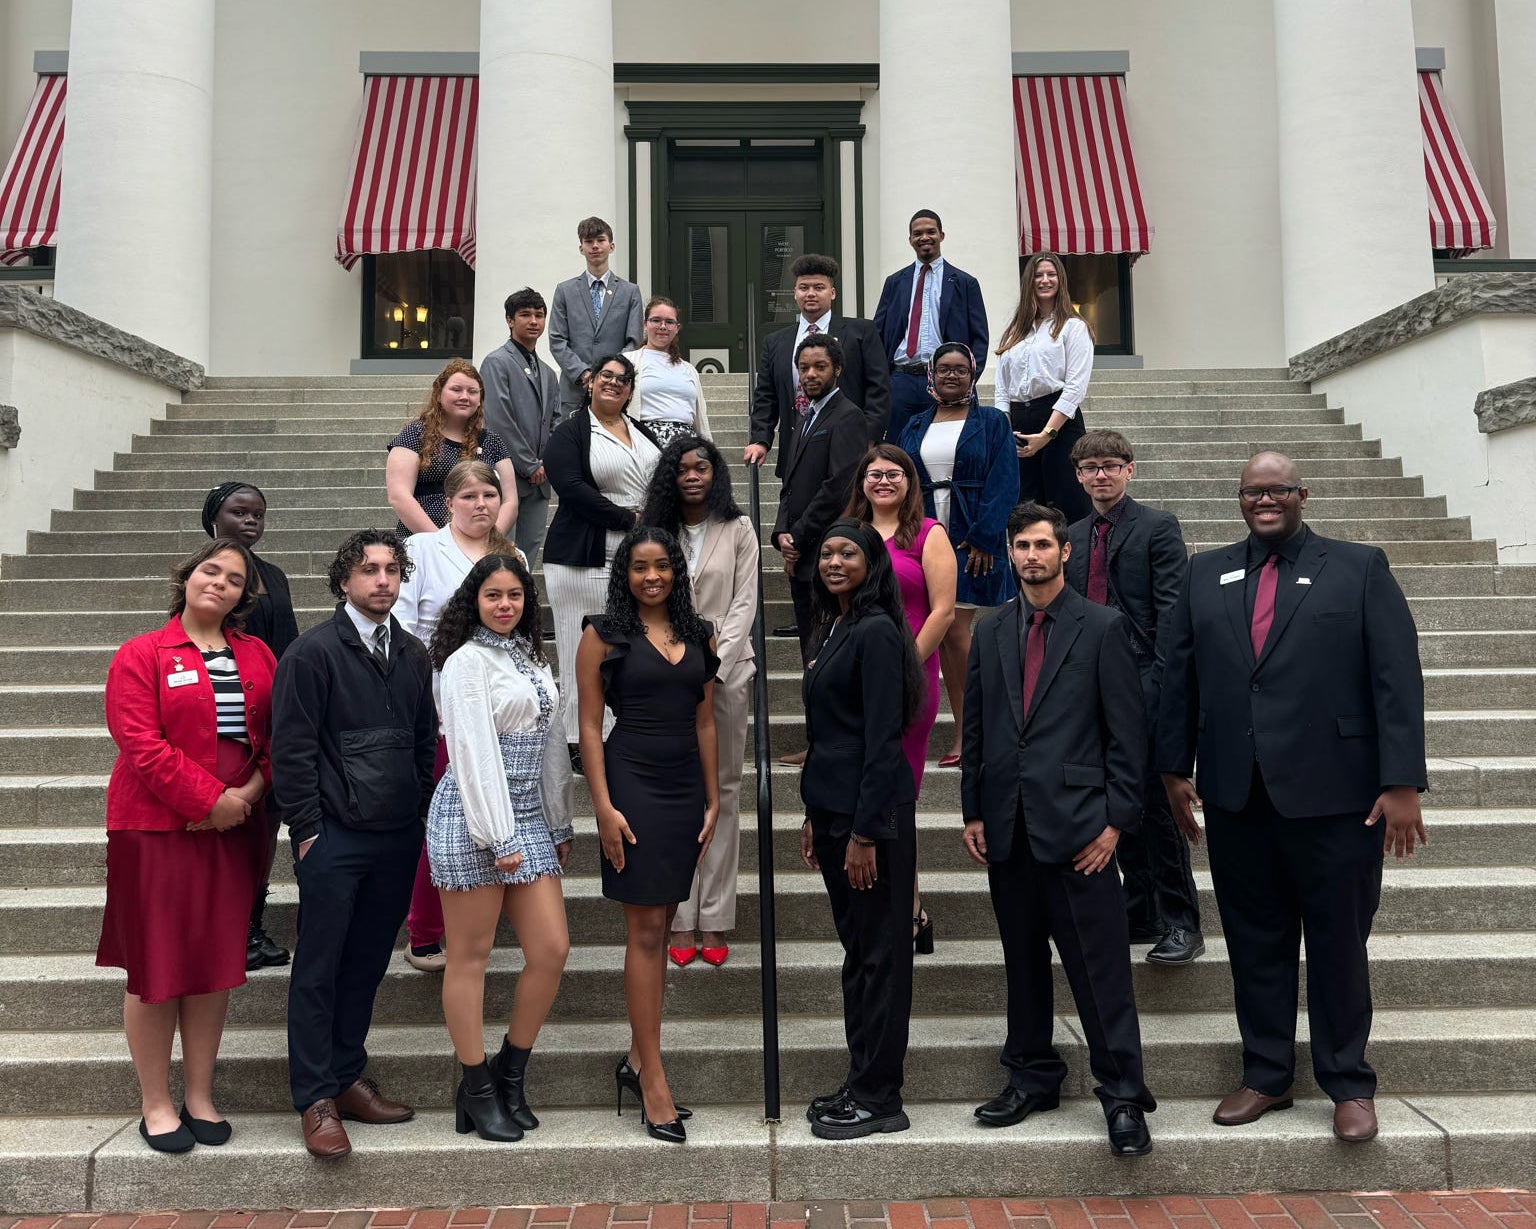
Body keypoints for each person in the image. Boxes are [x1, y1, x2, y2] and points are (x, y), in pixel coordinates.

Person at [1155, 451, 1428, 1145]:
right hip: (1237, 792)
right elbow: (1178, 675)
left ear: (1302, 492)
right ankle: (1267, 1072)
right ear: (1239, 498)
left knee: (1338, 942)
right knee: (1255, 941)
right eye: (1253, 491)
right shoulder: (1205, 571)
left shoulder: (1359, 567)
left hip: (1339, 795)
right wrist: (1171, 766)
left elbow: (1396, 677)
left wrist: (1401, 782)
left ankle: (1348, 1082)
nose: (1264, 500)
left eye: (1277, 489)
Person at [961, 501, 1155, 1158]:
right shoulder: (989, 631)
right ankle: (1033, 1076)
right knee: (1023, 965)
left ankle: (1124, 1095)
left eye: (1044, 544)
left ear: (1065, 551)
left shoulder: (1102, 627)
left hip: (1081, 834)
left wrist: (1115, 825)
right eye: (1022, 545)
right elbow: (979, 730)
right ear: (1010, 552)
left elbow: (1128, 739)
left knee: (1100, 972)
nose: (1033, 556)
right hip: (1009, 828)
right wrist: (973, 810)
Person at [98, 538, 275, 1153]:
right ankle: (156, 1102)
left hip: (233, 829)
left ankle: (200, 1094)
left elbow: (278, 737)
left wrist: (245, 797)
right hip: (154, 829)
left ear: (242, 596)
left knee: (212, 966)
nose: (220, 583)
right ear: (187, 577)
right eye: (211, 570)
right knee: (156, 967)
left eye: (234, 579)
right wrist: (208, 801)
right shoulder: (142, 654)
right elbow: (140, 745)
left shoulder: (258, 656)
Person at [273, 529, 437, 1159]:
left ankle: (345, 1078)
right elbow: (291, 750)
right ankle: (314, 1095)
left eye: (393, 570)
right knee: (318, 969)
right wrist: (308, 831)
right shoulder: (313, 654)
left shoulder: (415, 655)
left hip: (395, 837)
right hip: (333, 838)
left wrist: (418, 815)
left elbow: (425, 744)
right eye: (369, 570)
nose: (383, 581)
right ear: (344, 581)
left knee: (367, 965)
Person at [576, 527, 721, 1144]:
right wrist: (603, 808)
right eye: (640, 567)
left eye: (662, 565)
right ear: (624, 574)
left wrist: (715, 799)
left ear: (677, 571)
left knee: (663, 924)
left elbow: (706, 719)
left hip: (685, 789)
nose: (652, 576)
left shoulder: (700, 633)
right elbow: (586, 724)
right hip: (631, 780)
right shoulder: (600, 635)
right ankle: (653, 1077)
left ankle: (638, 1059)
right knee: (645, 930)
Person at [426, 554, 574, 1143]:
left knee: (552, 949)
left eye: (514, 594)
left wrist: (557, 823)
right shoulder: (466, 661)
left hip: (530, 815)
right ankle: (476, 1087)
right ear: (475, 600)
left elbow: (552, 747)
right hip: (474, 816)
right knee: (471, 956)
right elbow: (471, 753)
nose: (505, 605)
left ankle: (510, 1074)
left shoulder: (532, 658)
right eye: (493, 595)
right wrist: (499, 834)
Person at [797, 519, 923, 1140]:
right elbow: (829, 737)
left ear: (872, 563)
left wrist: (866, 834)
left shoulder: (875, 631)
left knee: (881, 957)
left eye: (849, 552)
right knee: (860, 956)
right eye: (827, 552)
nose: (834, 561)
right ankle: (861, 1078)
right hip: (835, 813)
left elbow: (880, 738)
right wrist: (813, 814)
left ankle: (881, 1097)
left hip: (872, 823)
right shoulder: (834, 627)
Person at [1063, 429, 1202, 965]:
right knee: (1118, 802)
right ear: (1077, 476)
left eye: (1110, 465)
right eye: (1090, 467)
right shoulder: (1071, 534)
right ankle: (1140, 908)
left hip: (1144, 678)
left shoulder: (1157, 527)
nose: (1101, 475)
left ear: (1129, 470)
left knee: (1154, 806)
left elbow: (1172, 614)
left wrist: (1164, 687)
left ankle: (1180, 921)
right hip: (1091, 686)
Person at [394, 459, 523, 974]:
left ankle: (473, 927)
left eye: (489, 495)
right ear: (448, 503)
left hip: (502, 708)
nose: (480, 505)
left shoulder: (509, 554)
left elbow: (520, 627)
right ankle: (424, 930)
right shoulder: (421, 549)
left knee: (490, 818)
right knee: (450, 817)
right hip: (441, 703)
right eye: (468, 496)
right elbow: (402, 631)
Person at [640, 437, 758, 967]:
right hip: (664, 677)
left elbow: (743, 603)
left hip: (726, 677)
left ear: (716, 474)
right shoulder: (654, 533)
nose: (692, 476)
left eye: (702, 467)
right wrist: (677, 667)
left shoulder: (740, 529)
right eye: (682, 468)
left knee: (724, 794)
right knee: (678, 796)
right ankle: (681, 914)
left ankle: (715, 916)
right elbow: (642, 593)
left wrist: (712, 668)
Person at [840, 444, 955, 954]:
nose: (883, 482)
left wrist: (902, 668)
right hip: (853, 679)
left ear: (910, 481)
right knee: (866, 786)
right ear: (861, 481)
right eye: (874, 474)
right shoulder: (851, 533)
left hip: (910, 678)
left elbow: (944, 612)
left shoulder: (929, 535)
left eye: (894, 474)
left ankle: (908, 912)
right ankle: (899, 907)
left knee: (897, 792)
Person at [898, 342, 1019, 769]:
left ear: (972, 374)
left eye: (961, 369)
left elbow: (1004, 480)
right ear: (931, 375)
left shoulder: (992, 422)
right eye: (944, 369)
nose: (952, 376)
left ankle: (974, 732)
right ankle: (970, 729)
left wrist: (987, 537)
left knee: (951, 630)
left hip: (972, 538)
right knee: (947, 636)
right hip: (926, 535)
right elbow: (902, 479)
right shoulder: (914, 423)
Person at [543, 354, 663, 756]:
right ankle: (580, 739)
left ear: (630, 390)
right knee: (583, 646)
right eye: (606, 376)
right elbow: (572, 488)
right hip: (584, 553)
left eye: (623, 379)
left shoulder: (641, 431)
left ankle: (617, 733)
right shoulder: (570, 433)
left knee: (622, 646)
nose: (614, 383)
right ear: (589, 383)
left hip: (635, 554)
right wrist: (630, 519)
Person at [200, 481, 298, 972]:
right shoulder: (206, 575)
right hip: (226, 718)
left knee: (264, 826)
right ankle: (223, 928)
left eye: (259, 514)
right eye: (240, 512)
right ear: (215, 517)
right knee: (228, 828)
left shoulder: (275, 576)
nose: (251, 521)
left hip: (273, 713)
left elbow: (291, 646)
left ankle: (251, 927)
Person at [770, 335, 869, 664]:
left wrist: (798, 535)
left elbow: (838, 485)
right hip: (801, 557)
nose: (810, 374)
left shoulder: (848, 416)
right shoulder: (803, 418)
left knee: (828, 655)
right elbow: (791, 483)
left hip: (828, 552)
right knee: (808, 655)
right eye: (803, 368)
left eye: (819, 367)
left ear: (837, 369)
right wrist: (781, 533)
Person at [745, 252, 891, 475]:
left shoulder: (861, 332)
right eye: (803, 288)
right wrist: (760, 440)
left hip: (848, 445)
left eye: (819, 287)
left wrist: (868, 438)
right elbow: (766, 396)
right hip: (796, 446)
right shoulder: (776, 342)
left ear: (832, 293)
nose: (810, 293)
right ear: (794, 293)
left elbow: (878, 389)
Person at [872, 209, 989, 442]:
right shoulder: (895, 283)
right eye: (917, 233)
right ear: (910, 240)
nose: (924, 237)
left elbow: (979, 339)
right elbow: (879, 333)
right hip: (900, 381)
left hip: (945, 379)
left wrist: (966, 379)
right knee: (898, 448)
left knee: (946, 447)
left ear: (941, 235)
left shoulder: (965, 283)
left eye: (930, 232)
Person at [995, 252, 1093, 525]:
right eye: (1039, 275)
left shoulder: (1074, 328)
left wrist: (1047, 434)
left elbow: (1075, 388)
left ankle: (1074, 567)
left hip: (1058, 422)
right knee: (1025, 510)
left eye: (1051, 274)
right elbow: (1002, 388)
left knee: (1068, 507)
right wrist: (1005, 429)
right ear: (1029, 282)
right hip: (1019, 424)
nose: (1045, 280)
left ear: (1060, 280)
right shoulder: (1015, 331)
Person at [386, 358, 519, 536]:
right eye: (456, 389)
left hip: (480, 548)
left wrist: (490, 541)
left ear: (480, 400)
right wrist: (441, 544)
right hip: (424, 543)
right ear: (439, 395)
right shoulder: (415, 435)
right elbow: (399, 496)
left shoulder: (492, 442)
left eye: (472, 391)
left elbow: (510, 501)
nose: (464, 396)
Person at [479, 288, 562, 564]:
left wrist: (546, 462)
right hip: (507, 474)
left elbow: (555, 421)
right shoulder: (496, 362)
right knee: (502, 551)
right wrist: (529, 464)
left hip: (539, 480)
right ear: (509, 320)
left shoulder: (549, 373)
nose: (534, 321)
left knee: (528, 553)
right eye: (525, 315)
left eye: (539, 315)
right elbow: (498, 419)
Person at [548, 216, 644, 411]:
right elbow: (557, 340)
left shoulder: (630, 291)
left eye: (600, 240)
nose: (595, 246)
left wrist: (609, 375)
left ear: (612, 246)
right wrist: (583, 373)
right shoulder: (565, 291)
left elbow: (634, 341)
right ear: (581, 248)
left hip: (615, 389)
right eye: (589, 241)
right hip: (574, 390)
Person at [623, 296, 712, 449]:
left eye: (669, 322)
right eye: (656, 320)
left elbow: (700, 420)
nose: (663, 326)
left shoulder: (689, 370)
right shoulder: (627, 362)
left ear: (677, 328)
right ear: (645, 325)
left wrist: (709, 451)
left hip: (686, 448)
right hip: (644, 443)